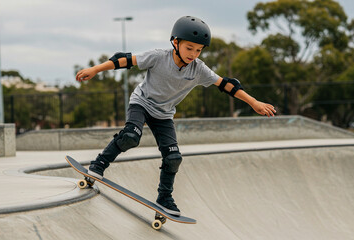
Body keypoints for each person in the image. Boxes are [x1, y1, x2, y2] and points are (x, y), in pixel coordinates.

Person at [75, 16, 276, 216]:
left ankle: (164, 197)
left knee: (173, 157)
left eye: (198, 50)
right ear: (176, 42)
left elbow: (226, 84)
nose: (193, 54)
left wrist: (254, 102)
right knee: (130, 137)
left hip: (164, 115)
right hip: (142, 104)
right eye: (189, 48)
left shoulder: (199, 69)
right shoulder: (158, 57)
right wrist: (95, 69)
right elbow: (125, 60)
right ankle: (99, 164)